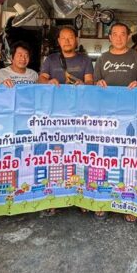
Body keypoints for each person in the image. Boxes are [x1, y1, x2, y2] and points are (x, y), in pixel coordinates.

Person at [94, 22, 137, 222]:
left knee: (129, 161)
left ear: (127, 37)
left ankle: (130, 204)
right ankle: (103, 201)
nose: (118, 38)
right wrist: (98, 84)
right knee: (106, 159)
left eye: (122, 34)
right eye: (114, 34)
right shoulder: (102, 59)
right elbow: (94, 86)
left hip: (131, 119)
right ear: (109, 37)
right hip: (106, 119)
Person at [38, 26, 93, 216]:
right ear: (59, 41)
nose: (67, 41)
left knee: (80, 153)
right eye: (64, 38)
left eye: (70, 37)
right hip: (56, 116)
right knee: (56, 155)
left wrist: (83, 85)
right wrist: (48, 82)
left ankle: (82, 195)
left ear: (76, 40)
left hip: (80, 116)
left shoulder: (85, 60)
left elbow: (90, 82)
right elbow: (41, 78)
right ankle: (53, 197)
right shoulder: (51, 59)